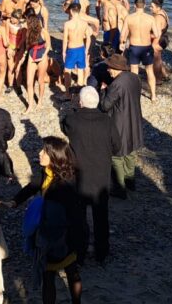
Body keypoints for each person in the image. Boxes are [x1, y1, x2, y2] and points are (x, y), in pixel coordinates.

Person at [5, 136, 86, 304]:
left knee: (54, 274)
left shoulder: (65, 186)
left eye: (45, 151)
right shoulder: (48, 171)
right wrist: (15, 201)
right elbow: (32, 186)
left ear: (54, 156)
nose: (39, 153)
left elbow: (75, 216)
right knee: (65, 272)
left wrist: (78, 241)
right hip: (52, 231)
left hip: (60, 235)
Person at [61, 86, 119, 264]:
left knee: (78, 218)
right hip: (101, 175)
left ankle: (79, 252)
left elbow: (64, 127)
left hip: (79, 177)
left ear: (80, 102)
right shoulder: (107, 121)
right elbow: (116, 146)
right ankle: (102, 252)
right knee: (101, 217)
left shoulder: (73, 119)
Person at [100, 55, 143, 199]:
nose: (108, 70)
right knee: (130, 150)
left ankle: (120, 187)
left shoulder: (116, 84)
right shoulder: (135, 78)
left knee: (116, 155)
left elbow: (105, 106)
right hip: (134, 118)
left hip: (119, 122)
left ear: (117, 68)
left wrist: (104, 90)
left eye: (110, 67)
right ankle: (130, 180)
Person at [122, 0, 159, 101]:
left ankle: (135, 95)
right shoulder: (150, 18)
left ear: (134, 6)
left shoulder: (129, 18)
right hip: (146, 47)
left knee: (134, 72)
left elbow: (123, 34)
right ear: (145, 5)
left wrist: (122, 43)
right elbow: (156, 34)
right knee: (149, 71)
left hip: (134, 47)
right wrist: (147, 34)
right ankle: (153, 96)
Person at [19, 12, 51, 112]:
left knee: (40, 80)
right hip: (32, 57)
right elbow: (27, 46)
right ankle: (30, 105)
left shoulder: (43, 31)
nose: (26, 23)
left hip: (42, 56)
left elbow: (48, 45)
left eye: (28, 22)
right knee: (29, 82)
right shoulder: (28, 32)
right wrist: (24, 56)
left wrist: (44, 56)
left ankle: (40, 102)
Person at [62, 1, 91, 99]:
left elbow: (65, 39)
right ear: (79, 11)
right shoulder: (84, 23)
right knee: (80, 70)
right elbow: (88, 38)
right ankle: (80, 93)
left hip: (72, 49)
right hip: (81, 48)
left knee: (67, 71)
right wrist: (86, 50)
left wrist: (63, 52)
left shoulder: (67, 24)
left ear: (71, 11)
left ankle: (67, 94)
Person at [149, 0, 170, 82]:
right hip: (164, 38)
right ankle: (165, 75)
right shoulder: (164, 12)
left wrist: (146, 35)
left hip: (158, 41)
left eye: (152, 7)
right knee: (159, 59)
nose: (150, 8)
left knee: (156, 61)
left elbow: (156, 34)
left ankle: (158, 79)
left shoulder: (158, 17)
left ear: (158, 7)